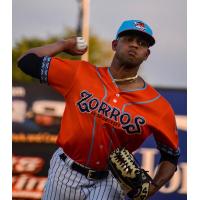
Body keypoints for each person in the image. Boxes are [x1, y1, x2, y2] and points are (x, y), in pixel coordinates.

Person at [17, 19, 180, 200]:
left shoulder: (158, 106)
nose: (134, 45)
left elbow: (170, 156)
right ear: (115, 45)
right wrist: (62, 44)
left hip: (109, 180)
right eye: (128, 39)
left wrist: (153, 187)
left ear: (146, 54)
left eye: (142, 43)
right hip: (65, 171)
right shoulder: (80, 74)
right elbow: (26, 61)